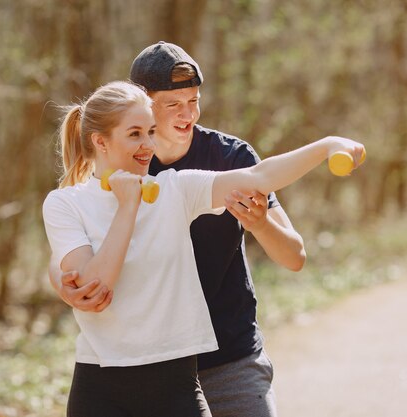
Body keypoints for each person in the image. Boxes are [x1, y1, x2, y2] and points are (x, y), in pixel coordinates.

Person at [43, 80, 365, 416]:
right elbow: (98, 286)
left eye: (151, 132)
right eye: (135, 134)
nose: (148, 145)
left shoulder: (175, 189)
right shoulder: (65, 204)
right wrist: (128, 206)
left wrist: (326, 145)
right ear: (100, 141)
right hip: (100, 388)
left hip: (175, 383)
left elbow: (259, 176)